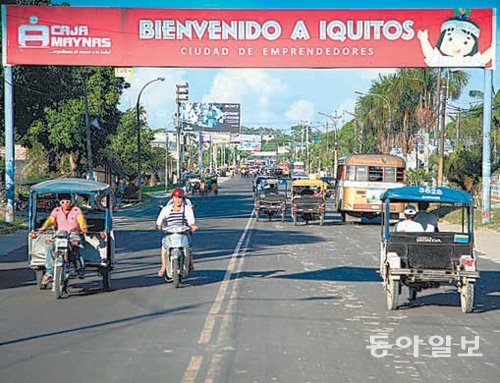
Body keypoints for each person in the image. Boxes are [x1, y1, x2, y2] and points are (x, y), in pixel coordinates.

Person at [39, 193, 88, 284]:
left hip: (73, 235)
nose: (65, 204)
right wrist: (43, 227)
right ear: (60, 203)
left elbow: (81, 220)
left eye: (67, 201)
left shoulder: (77, 210)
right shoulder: (56, 210)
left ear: (71, 202)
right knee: (49, 246)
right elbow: (50, 220)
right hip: (59, 235)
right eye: (63, 202)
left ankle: (79, 267)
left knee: (78, 246)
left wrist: (83, 228)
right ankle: (49, 272)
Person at [156, 188, 198, 277]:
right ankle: (164, 266)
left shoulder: (187, 209)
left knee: (188, 247)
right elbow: (160, 219)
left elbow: (191, 220)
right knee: (164, 248)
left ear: (183, 199)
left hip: (183, 233)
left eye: (180, 198)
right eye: (175, 198)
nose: (177, 200)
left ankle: (189, 262)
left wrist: (192, 225)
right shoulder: (166, 209)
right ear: (172, 199)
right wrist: (158, 225)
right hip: (170, 233)